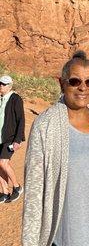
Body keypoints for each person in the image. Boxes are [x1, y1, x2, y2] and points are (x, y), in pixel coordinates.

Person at [22, 51, 89, 246]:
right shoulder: (46, 124)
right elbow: (34, 192)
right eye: (75, 81)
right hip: (67, 238)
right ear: (62, 83)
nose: (83, 88)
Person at [0, 74, 25, 203]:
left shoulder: (15, 99)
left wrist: (18, 139)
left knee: (3, 162)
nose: (1, 86)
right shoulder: (1, 98)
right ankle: (4, 192)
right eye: (0, 83)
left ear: (9, 86)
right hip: (0, 137)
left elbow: (21, 119)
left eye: (3, 84)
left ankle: (17, 187)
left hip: (10, 137)